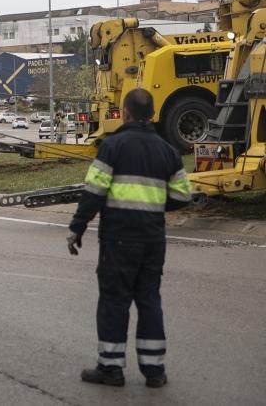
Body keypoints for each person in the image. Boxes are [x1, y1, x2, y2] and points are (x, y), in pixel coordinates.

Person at [67, 88, 191, 389]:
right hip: (152, 239)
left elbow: (94, 192)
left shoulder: (113, 146)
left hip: (119, 239)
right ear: (151, 115)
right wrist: (155, 206)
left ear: (125, 113)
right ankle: (154, 370)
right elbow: (182, 195)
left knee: (114, 301)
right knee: (149, 300)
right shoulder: (168, 151)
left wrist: (77, 227)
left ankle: (111, 368)